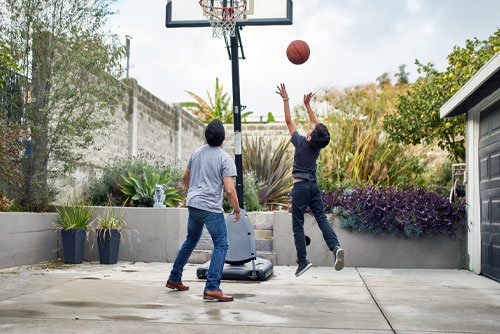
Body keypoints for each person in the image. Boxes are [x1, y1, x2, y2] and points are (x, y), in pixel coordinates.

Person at [166, 119, 241, 302]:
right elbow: (230, 190)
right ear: (223, 138)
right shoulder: (225, 158)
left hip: (193, 204)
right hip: (210, 207)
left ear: (206, 137)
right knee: (221, 244)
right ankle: (212, 288)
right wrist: (237, 210)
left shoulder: (197, 153)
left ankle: (174, 278)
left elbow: (185, 176)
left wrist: (190, 192)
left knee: (191, 240)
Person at [276, 83, 344, 277]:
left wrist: (286, 99)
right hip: (314, 186)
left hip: (300, 187)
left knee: (297, 224)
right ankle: (335, 247)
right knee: (321, 218)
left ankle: (303, 260)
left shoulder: (300, 142)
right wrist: (307, 106)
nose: (311, 128)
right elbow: (316, 126)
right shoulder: (316, 146)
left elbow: (289, 121)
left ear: (309, 136)